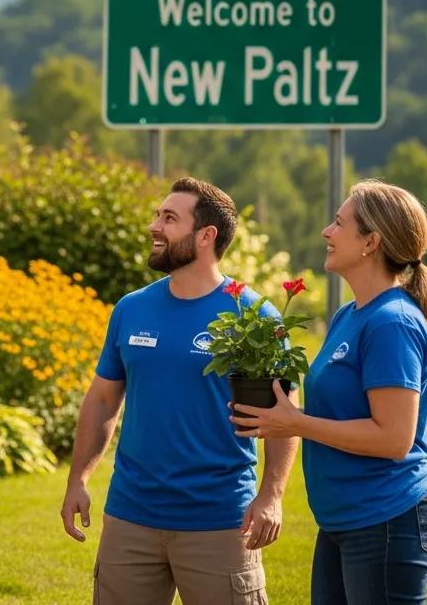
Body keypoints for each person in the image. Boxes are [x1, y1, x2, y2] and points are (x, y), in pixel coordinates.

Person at [60, 176, 298, 605]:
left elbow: (285, 413)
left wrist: (271, 496)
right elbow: (102, 400)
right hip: (131, 515)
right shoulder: (131, 309)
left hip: (220, 521)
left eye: (169, 218)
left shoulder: (254, 315)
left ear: (206, 235)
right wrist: (78, 478)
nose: (155, 226)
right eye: (157, 215)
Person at [232, 180, 427, 605]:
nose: (326, 231)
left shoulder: (392, 322)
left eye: (339, 223)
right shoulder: (349, 314)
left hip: (385, 520)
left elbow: (394, 439)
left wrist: (295, 423)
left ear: (370, 242)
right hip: (344, 520)